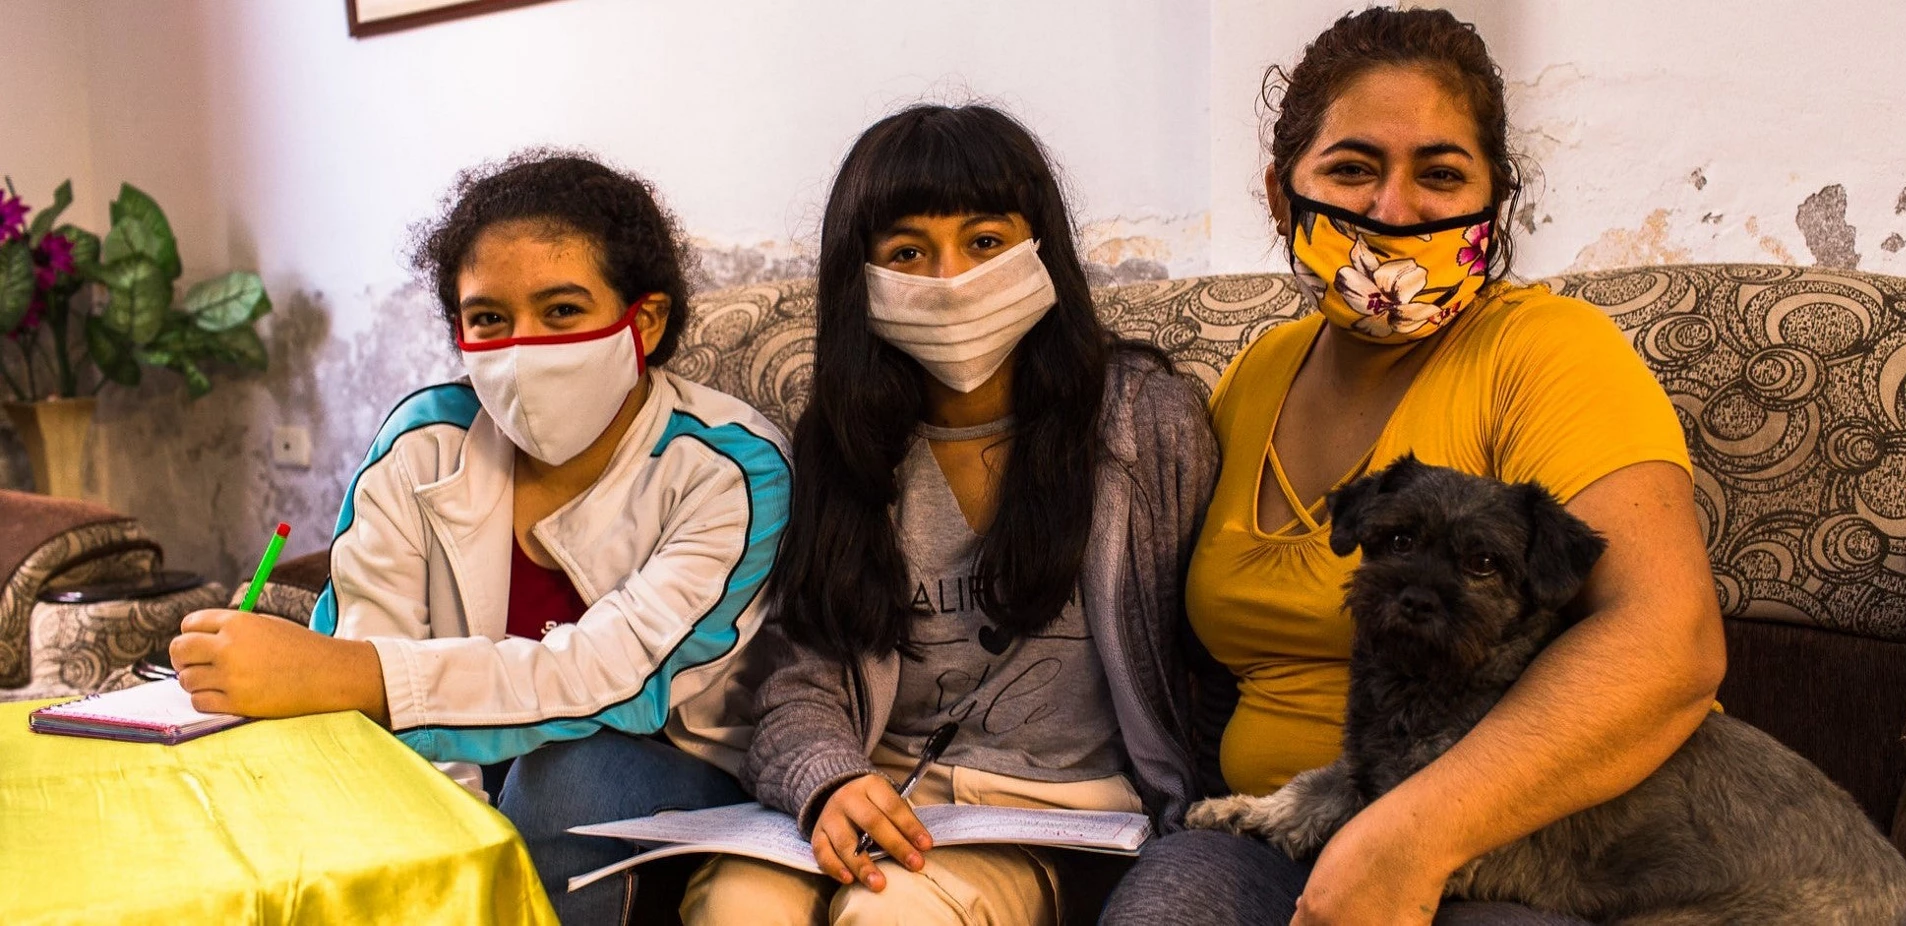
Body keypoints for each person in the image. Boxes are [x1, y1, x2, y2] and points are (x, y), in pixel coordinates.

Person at [1102, 9, 1725, 926]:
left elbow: (1669, 643)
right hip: (1276, 833)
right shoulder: (1254, 375)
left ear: (1496, 201)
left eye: (1440, 174)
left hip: (1509, 846)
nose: (1394, 212)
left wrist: (1410, 838)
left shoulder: (1551, 354)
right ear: (1280, 194)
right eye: (1352, 168)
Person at [167, 152, 792, 925]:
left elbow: (609, 677)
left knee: (565, 779)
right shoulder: (420, 441)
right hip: (461, 775)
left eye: (562, 310)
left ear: (647, 319)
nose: (522, 347)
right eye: (488, 318)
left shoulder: (733, 469)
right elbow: (365, 658)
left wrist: (345, 674)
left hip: (671, 781)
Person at [677, 104, 1218, 926]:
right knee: (734, 905)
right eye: (907, 253)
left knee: (894, 917)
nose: (950, 277)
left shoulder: (1147, 425)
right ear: (862, 278)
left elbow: (1208, 649)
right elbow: (802, 679)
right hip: (882, 792)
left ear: (1041, 251)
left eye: (986, 242)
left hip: (1063, 816)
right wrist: (828, 779)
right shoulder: (843, 444)